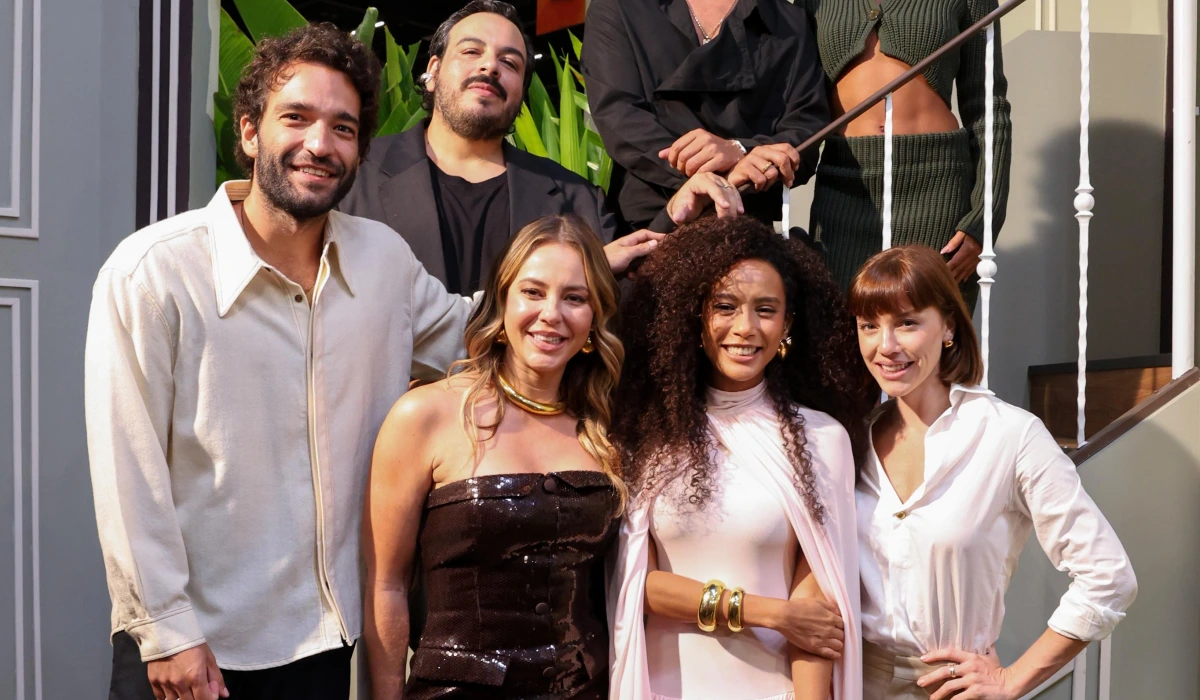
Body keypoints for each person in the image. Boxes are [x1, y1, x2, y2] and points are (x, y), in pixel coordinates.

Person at [85, 24, 679, 700]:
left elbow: (482, 324)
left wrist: (591, 275)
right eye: (297, 118)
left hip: (320, 648)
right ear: (249, 132)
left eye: (342, 128)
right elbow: (126, 470)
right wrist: (165, 632)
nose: (319, 144)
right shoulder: (154, 274)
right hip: (197, 647)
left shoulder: (381, 261)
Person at [847, 246, 1137, 698]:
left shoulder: (1010, 435)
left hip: (951, 689)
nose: (885, 347)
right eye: (869, 326)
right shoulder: (851, 439)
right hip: (850, 680)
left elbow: (1109, 578)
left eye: (906, 322)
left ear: (947, 326)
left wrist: (1011, 680)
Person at [608, 216, 874, 700]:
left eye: (766, 310)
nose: (745, 328)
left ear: (787, 324)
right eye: (725, 307)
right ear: (694, 316)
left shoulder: (821, 439)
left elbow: (818, 608)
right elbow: (638, 586)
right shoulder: (646, 437)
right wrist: (767, 612)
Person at [363, 215, 625, 699]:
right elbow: (386, 587)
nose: (552, 313)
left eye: (574, 297)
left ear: (593, 321)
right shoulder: (425, 415)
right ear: (500, 303)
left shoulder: (607, 430)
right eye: (532, 292)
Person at [340, 1, 731, 294]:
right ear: (433, 72)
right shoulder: (354, 173)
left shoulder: (574, 197)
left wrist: (679, 215)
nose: (490, 67)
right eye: (471, 52)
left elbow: (624, 289)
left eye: (510, 63)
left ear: (520, 95)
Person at [802, 0, 1012, 310]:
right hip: (844, 185)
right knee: (838, 338)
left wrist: (985, 217)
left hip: (937, 188)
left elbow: (988, 109)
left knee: (931, 336)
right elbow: (795, 97)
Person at [582, 0, 829, 233]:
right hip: (653, 225)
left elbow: (804, 136)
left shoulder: (789, 22)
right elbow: (620, 119)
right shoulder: (620, 7)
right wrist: (720, 179)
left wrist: (741, 149)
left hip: (749, 229)